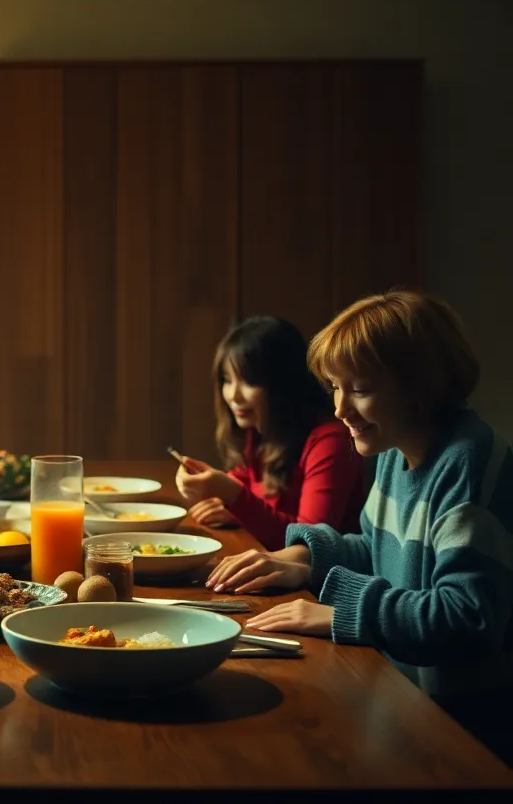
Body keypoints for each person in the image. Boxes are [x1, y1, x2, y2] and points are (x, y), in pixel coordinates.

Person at [206, 291, 513, 763]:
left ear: (420, 386)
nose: (339, 409)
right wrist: (303, 561)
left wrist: (339, 612)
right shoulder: (395, 447)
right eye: (335, 387)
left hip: (462, 736)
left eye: (360, 389)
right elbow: (372, 547)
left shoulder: (466, 464)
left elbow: (465, 618)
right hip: (402, 697)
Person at [174, 315, 365, 550]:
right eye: (227, 380)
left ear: (283, 384)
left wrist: (233, 497)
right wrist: (221, 492)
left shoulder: (330, 440)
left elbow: (310, 543)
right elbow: (248, 481)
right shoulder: (261, 427)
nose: (233, 396)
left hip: (315, 584)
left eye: (249, 382)